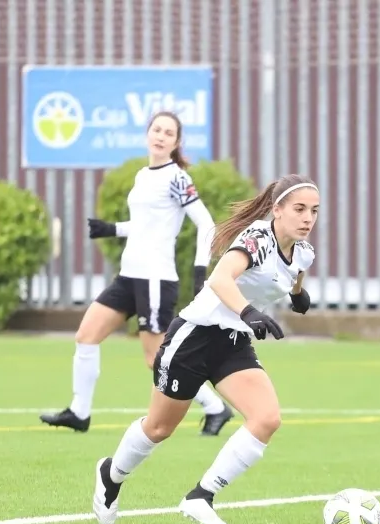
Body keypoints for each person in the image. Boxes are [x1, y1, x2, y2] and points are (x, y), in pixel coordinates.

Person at [92, 174, 318, 524]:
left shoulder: (303, 251)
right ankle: (111, 474)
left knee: (266, 418)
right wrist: (249, 312)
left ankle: (202, 495)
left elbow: (294, 275)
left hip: (232, 344)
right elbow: (221, 279)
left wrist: (297, 296)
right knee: (160, 427)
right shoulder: (258, 237)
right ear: (277, 210)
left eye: (314, 211)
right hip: (194, 337)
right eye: (300, 209)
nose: (308, 218)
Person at [39, 112, 234, 436]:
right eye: (156, 129)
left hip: (156, 279)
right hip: (129, 276)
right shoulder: (144, 174)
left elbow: (206, 223)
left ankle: (216, 407)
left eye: (168, 132)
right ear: (147, 134)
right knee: (86, 336)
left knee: (155, 359)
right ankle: (79, 413)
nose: (160, 136)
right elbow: (147, 224)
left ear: (176, 142)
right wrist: (111, 229)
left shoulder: (177, 178)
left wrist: (201, 269)